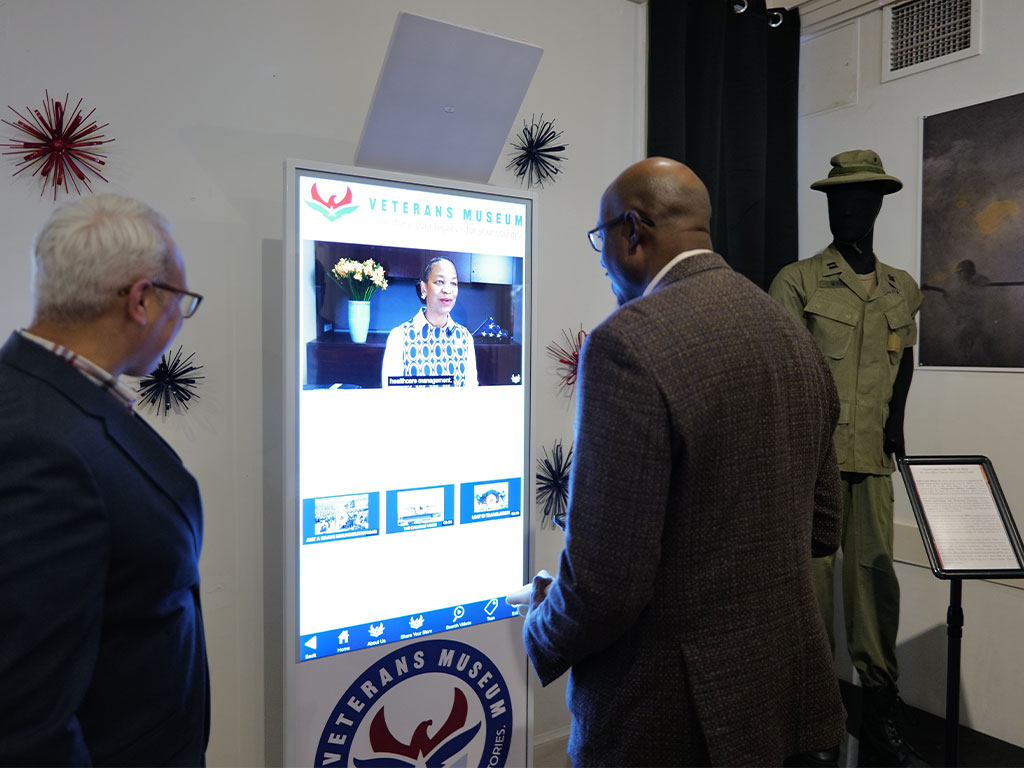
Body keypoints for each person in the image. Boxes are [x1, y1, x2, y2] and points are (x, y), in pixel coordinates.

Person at [521, 157, 847, 766]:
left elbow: (606, 587)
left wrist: (541, 625)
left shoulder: (626, 343)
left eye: (601, 240)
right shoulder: (792, 334)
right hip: (782, 694)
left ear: (632, 232)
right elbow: (825, 525)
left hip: (668, 715)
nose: (600, 259)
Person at [0, 194, 208, 765]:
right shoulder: (37, 443)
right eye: (181, 302)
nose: (176, 321)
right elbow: (24, 715)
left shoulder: (55, 396)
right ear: (141, 300)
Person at [769, 150, 923, 767]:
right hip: (813, 468)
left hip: (873, 465)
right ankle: (813, 727)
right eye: (838, 199)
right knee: (809, 591)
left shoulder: (900, 289)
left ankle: (880, 716)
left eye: (860, 200)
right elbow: (781, 372)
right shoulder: (798, 282)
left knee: (876, 585)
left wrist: (896, 425)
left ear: (880, 205)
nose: (848, 210)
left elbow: (902, 358)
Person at [380, 255, 479, 387]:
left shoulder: (465, 337)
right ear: (424, 288)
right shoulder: (399, 337)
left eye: (453, 283)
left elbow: (470, 391)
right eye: (439, 282)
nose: (447, 290)